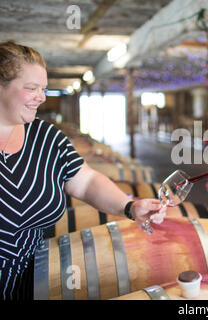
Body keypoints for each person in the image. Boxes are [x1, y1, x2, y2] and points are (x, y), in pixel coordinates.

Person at [0, 41, 167, 300]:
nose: (41, 97)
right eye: (31, 88)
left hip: (36, 282)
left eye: (43, 89)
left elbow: (86, 181)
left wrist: (129, 206)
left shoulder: (47, 138)